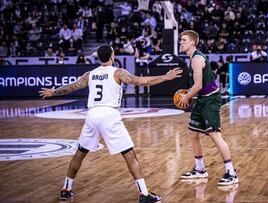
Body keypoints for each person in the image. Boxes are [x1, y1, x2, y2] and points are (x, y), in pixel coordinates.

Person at [39, 45, 182, 202]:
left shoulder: (90, 74)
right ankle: (144, 194)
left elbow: (72, 87)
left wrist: (53, 92)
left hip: (92, 115)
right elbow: (140, 81)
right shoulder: (118, 72)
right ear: (112, 56)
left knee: (80, 153)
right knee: (129, 155)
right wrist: (164, 77)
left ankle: (66, 188)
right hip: (109, 114)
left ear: (99, 57)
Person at [177, 30, 238, 186]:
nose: (181, 42)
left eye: (184, 40)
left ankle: (231, 172)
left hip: (210, 100)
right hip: (203, 99)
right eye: (181, 40)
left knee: (215, 135)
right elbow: (197, 86)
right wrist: (189, 94)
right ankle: (200, 169)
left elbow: (198, 86)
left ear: (192, 42)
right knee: (192, 132)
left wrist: (186, 97)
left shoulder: (197, 59)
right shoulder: (193, 58)